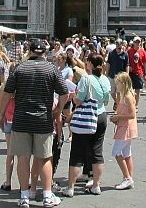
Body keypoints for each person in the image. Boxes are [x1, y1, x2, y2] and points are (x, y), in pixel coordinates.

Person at [0, 39, 69, 208]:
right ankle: (46, 196)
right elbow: (64, 93)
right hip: (43, 120)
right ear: (45, 53)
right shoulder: (52, 69)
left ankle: (24, 197)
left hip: (20, 119)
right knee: (44, 158)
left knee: (23, 157)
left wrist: (1, 115)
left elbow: (7, 93)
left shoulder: (20, 68)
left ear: (29, 51)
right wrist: (58, 110)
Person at [62, 54, 111, 197]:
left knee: (77, 152)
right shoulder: (105, 80)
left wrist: (73, 96)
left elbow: (78, 100)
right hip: (101, 115)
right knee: (97, 151)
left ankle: (70, 188)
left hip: (87, 116)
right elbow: (106, 100)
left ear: (89, 63)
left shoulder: (86, 78)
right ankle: (96, 185)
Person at [109, 72, 137, 190]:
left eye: (118, 83)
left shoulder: (128, 97)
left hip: (126, 128)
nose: (117, 86)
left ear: (124, 83)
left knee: (116, 152)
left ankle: (127, 178)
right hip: (126, 127)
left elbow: (131, 114)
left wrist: (118, 117)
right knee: (127, 153)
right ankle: (128, 177)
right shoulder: (125, 95)